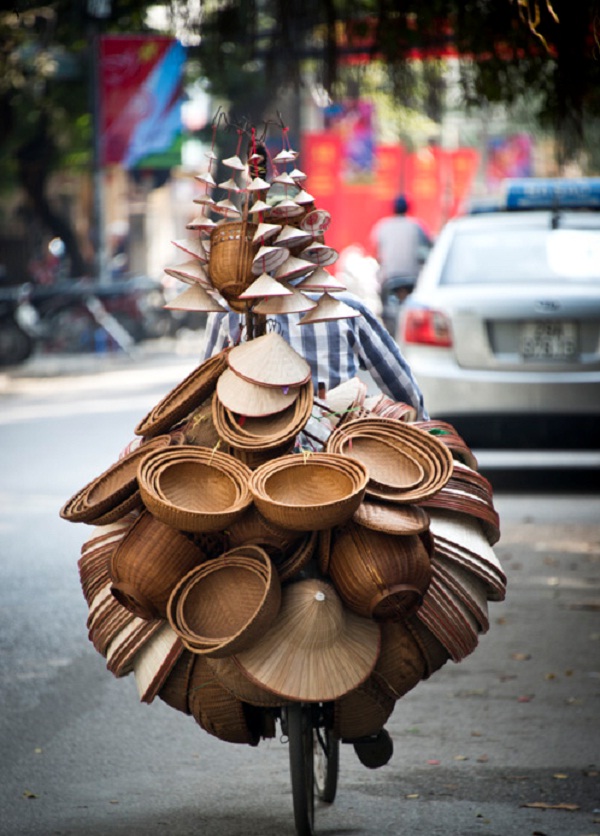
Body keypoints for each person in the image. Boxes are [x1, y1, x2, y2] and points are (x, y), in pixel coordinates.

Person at [201, 289, 428, 421]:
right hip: (342, 456)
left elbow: (200, 399)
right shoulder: (347, 307)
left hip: (253, 457)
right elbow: (407, 394)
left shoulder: (229, 312)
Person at [369, 195, 432, 336]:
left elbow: (376, 255)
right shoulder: (417, 226)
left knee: (384, 307)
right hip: (413, 278)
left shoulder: (382, 226)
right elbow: (427, 250)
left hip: (389, 278)